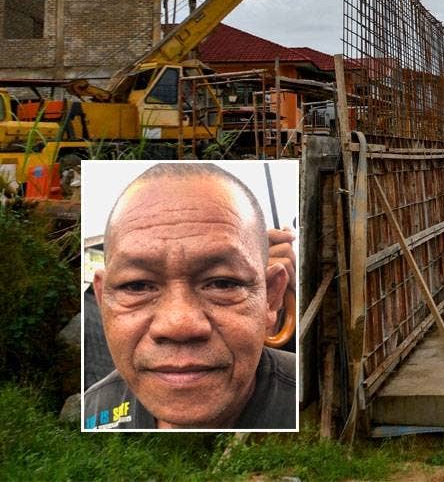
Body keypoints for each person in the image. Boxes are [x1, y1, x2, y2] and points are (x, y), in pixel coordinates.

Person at [83, 163, 296, 430]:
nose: (179, 324)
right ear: (102, 300)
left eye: (222, 284)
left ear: (272, 296)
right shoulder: (94, 411)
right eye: (137, 286)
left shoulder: (307, 399)